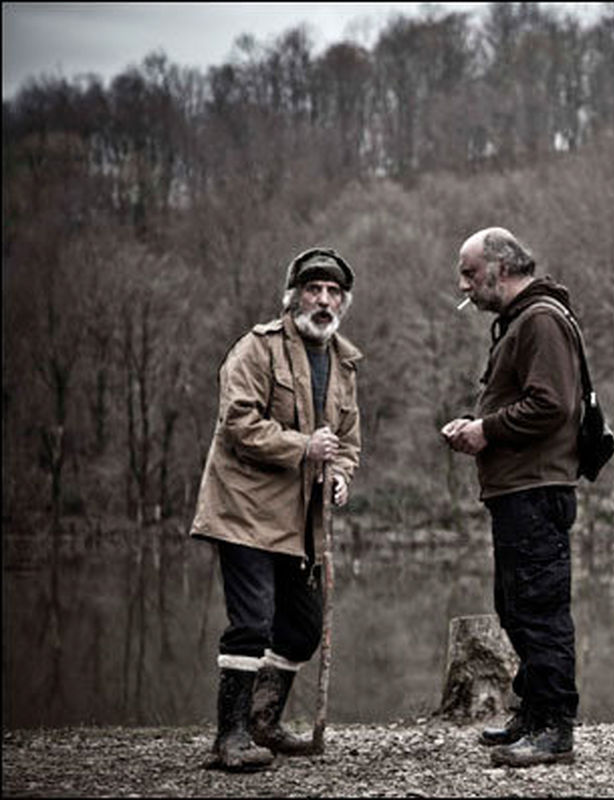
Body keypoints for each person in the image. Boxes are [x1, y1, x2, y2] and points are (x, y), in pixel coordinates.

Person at [190, 247, 362, 772]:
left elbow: (348, 440)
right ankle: (231, 736)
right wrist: (303, 447)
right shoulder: (255, 350)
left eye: (334, 293)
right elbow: (239, 424)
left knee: (303, 628)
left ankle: (263, 721)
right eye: (314, 290)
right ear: (293, 298)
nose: (324, 301)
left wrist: (339, 475)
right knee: (253, 622)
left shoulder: (344, 363)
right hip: (243, 508)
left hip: (300, 522)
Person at [441, 227, 583, 768]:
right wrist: (480, 425)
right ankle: (532, 713)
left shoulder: (541, 319)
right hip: (518, 488)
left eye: (470, 273)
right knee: (516, 605)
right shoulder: (524, 319)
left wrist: (485, 431)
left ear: (501, 267)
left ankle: (554, 730)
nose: (464, 284)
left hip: (537, 488)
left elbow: (552, 406)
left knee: (541, 610)